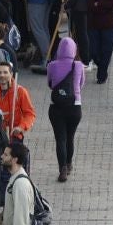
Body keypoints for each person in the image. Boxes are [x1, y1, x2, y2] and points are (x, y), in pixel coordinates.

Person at [47, 36, 85, 183]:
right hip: (75, 106)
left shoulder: (52, 65)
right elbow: (81, 85)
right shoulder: (79, 65)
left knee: (60, 139)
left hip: (56, 107)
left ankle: (62, 168)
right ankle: (69, 164)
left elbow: (50, 84)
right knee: (70, 137)